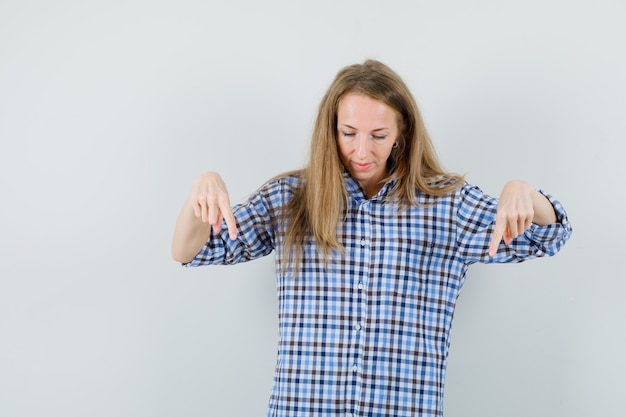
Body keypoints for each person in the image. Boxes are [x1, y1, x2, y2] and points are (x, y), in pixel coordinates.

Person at [171, 59, 572, 417]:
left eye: (378, 135)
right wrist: (201, 189)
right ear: (331, 131)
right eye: (349, 133)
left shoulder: (447, 205)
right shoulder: (292, 199)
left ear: (401, 133)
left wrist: (524, 192)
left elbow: (551, 235)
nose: (361, 151)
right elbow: (188, 251)